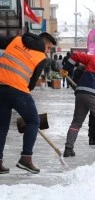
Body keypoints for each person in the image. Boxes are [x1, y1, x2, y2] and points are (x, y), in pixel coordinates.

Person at [0, 32, 56, 174]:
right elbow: (31, 83)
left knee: (2, 127)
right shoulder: (41, 57)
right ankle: (26, 158)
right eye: (48, 47)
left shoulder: (16, 39)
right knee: (33, 121)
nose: (48, 51)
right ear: (44, 43)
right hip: (18, 89)